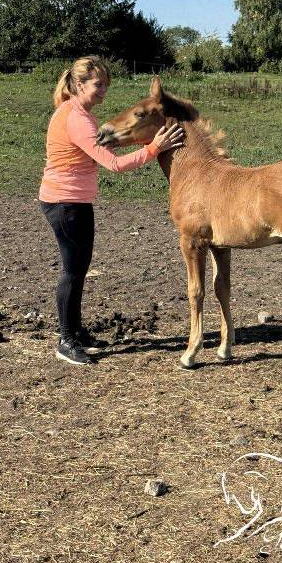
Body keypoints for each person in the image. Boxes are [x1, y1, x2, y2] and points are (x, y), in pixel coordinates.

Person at [39, 56, 183, 365]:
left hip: (72, 200)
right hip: (65, 202)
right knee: (72, 271)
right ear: (79, 85)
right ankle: (66, 340)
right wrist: (154, 149)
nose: (104, 90)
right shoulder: (77, 119)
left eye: (106, 84)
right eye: (98, 84)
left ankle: (76, 332)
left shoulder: (77, 113)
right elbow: (114, 164)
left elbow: (100, 148)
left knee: (78, 268)